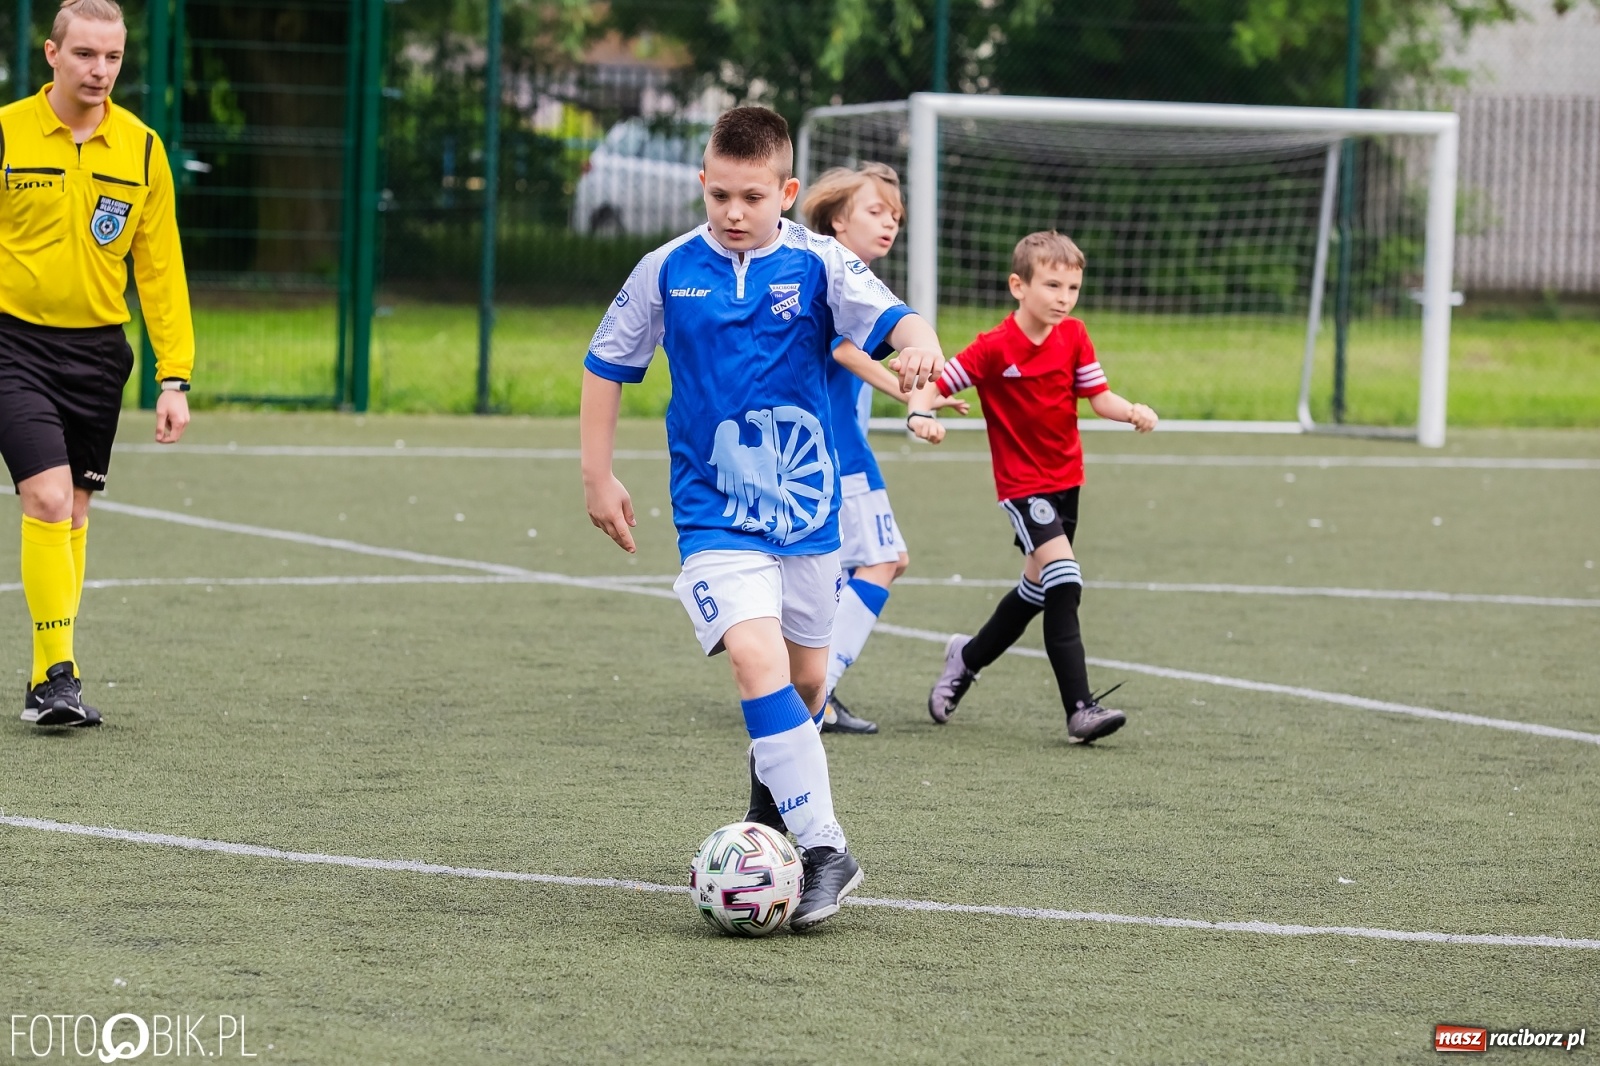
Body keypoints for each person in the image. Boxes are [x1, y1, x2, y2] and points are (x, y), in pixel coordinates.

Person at [579, 107, 945, 929]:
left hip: (811, 520)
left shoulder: (820, 264)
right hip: (713, 516)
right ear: (701, 186)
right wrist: (597, 474)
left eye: (751, 196)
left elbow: (897, 321)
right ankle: (825, 848)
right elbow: (607, 364)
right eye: (718, 196)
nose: (733, 213)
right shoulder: (667, 270)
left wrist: (918, 348)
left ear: (784, 191)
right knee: (755, 659)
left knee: (805, 683)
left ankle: (769, 826)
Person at [0, 0, 194, 729]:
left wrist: (173, 375)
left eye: (112, 58)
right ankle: (60, 676)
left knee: (74, 513)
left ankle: (43, 676)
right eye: (85, 54)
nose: (100, 71)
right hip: (11, 342)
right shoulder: (7, 132)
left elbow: (161, 271)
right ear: (52, 54)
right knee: (46, 497)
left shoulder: (142, 148)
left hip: (97, 354)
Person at [925, 231, 1156, 744]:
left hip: (1066, 481)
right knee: (1066, 581)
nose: (1063, 297)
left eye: (1072, 287)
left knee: (1036, 591)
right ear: (1018, 285)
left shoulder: (1074, 336)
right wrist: (923, 412)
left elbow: (1098, 397)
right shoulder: (992, 348)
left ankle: (967, 656)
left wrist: (1131, 411)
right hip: (1022, 486)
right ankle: (1080, 709)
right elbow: (936, 384)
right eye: (1052, 285)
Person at [800, 163, 966, 734]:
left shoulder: (831, 273)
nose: (890, 223)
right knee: (885, 560)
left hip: (821, 450)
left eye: (896, 215)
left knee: (848, 571)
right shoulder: (833, 274)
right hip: (838, 450)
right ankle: (817, 692)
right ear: (837, 219)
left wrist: (919, 402)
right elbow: (844, 351)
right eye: (876, 211)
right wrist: (908, 390)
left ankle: (808, 686)